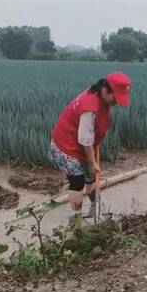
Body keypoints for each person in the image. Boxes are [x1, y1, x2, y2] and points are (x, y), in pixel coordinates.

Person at [49, 72, 132, 228]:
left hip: (84, 143)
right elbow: (85, 140)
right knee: (77, 182)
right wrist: (93, 162)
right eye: (116, 98)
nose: (117, 103)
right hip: (67, 145)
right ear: (106, 91)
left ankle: (96, 208)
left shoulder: (99, 94)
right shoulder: (90, 108)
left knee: (91, 177)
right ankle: (76, 219)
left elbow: (91, 134)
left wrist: (94, 155)